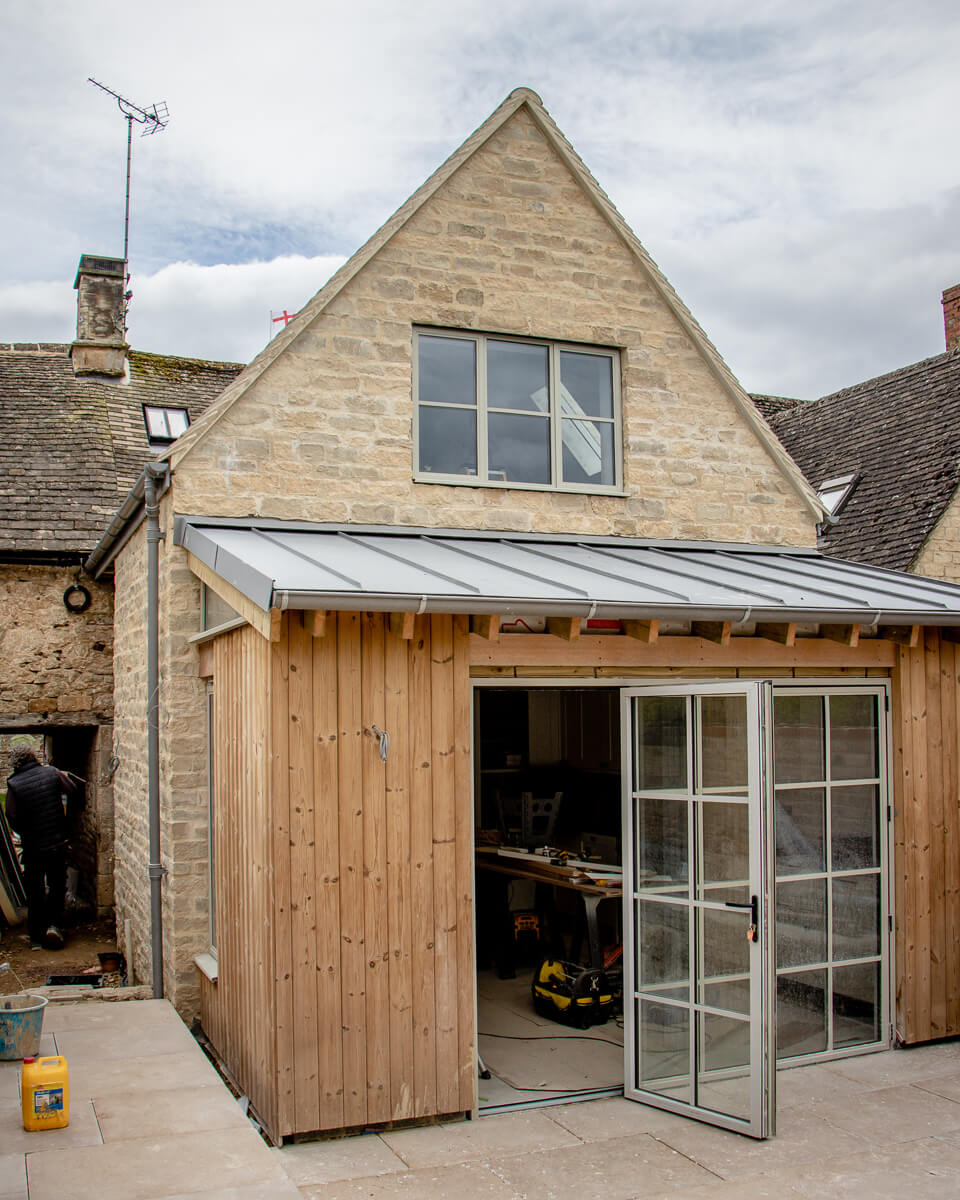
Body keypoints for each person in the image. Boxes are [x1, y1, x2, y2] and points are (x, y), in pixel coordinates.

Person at [4, 746, 76, 950]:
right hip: (57, 842)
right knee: (57, 885)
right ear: (33, 757)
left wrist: (25, 832)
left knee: (35, 891)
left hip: (33, 847)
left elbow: (12, 816)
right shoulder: (51, 773)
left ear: (15, 764)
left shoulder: (14, 784)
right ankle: (54, 925)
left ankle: (36, 937)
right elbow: (72, 789)